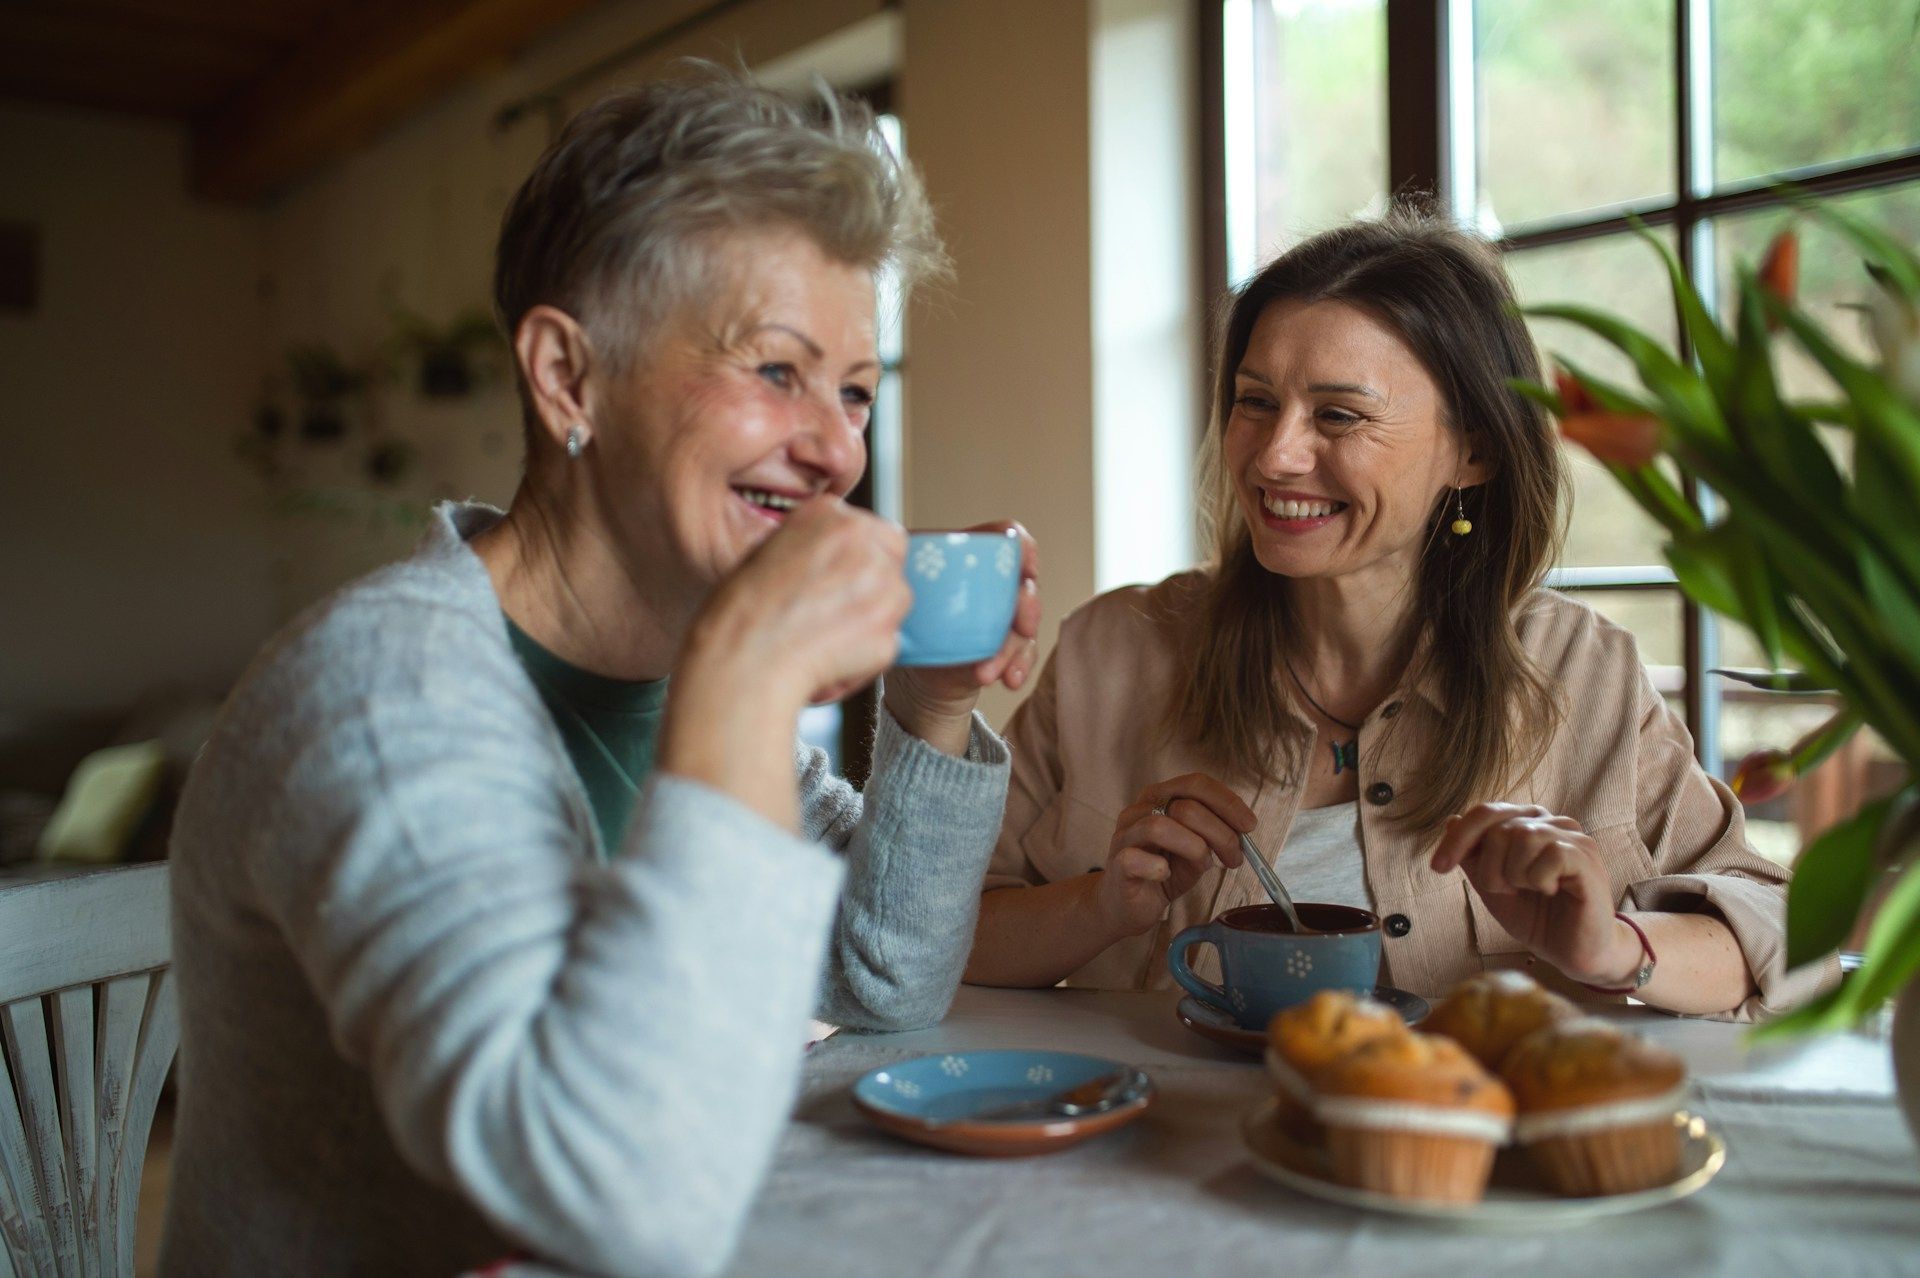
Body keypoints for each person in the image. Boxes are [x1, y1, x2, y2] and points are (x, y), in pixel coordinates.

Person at [161, 68, 1039, 1278]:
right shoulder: (381, 697)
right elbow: (616, 1204)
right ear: (569, 378)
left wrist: (933, 707)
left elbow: (887, 976)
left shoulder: (675, 668)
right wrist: (747, 673)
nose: (840, 450)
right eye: (776, 372)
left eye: (853, 391)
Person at [966, 213, 1828, 1022]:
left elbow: (1782, 933)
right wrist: (1102, 905)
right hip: (1156, 1162)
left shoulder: (1579, 669)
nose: (1275, 456)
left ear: (1475, 450)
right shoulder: (1112, 652)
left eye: (1339, 415)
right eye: (1256, 400)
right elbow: (946, 935)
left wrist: (1614, 949)